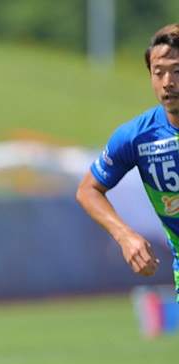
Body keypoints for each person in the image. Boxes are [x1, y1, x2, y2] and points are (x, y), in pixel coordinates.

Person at [77, 23, 179, 293]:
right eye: (158, 72)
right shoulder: (137, 136)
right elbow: (88, 190)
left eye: (177, 71)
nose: (168, 82)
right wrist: (124, 235)